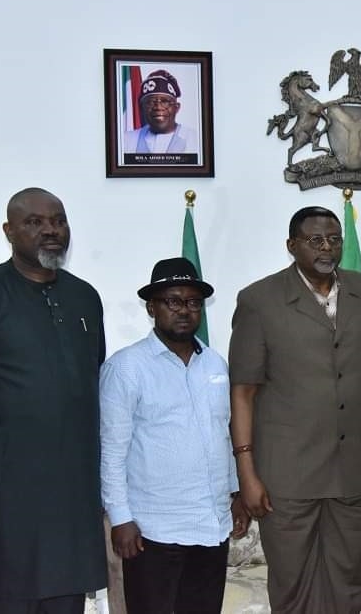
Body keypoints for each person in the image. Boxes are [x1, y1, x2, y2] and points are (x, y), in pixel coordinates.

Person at [0, 187, 107, 613]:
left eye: (58, 220)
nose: (50, 230)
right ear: (9, 231)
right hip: (6, 499)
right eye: (34, 222)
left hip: (73, 498)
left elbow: (91, 387)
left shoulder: (85, 297)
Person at [228, 205, 361, 614]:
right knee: (292, 587)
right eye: (315, 240)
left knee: (347, 582)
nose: (327, 248)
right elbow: (243, 393)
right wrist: (246, 472)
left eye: (334, 239)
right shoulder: (259, 301)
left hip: (354, 468)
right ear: (292, 246)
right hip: (288, 473)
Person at [99, 257, 249, 614]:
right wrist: (120, 518)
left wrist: (234, 493)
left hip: (211, 525)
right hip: (153, 530)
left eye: (193, 302)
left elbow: (222, 434)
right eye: (173, 301)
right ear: (152, 307)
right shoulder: (126, 368)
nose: (185, 310)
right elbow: (112, 449)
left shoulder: (215, 364)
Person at [122, 69, 196, 154]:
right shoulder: (126, 141)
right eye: (150, 102)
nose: (158, 107)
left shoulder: (195, 140)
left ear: (176, 107)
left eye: (165, 101)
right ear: (141, 108)